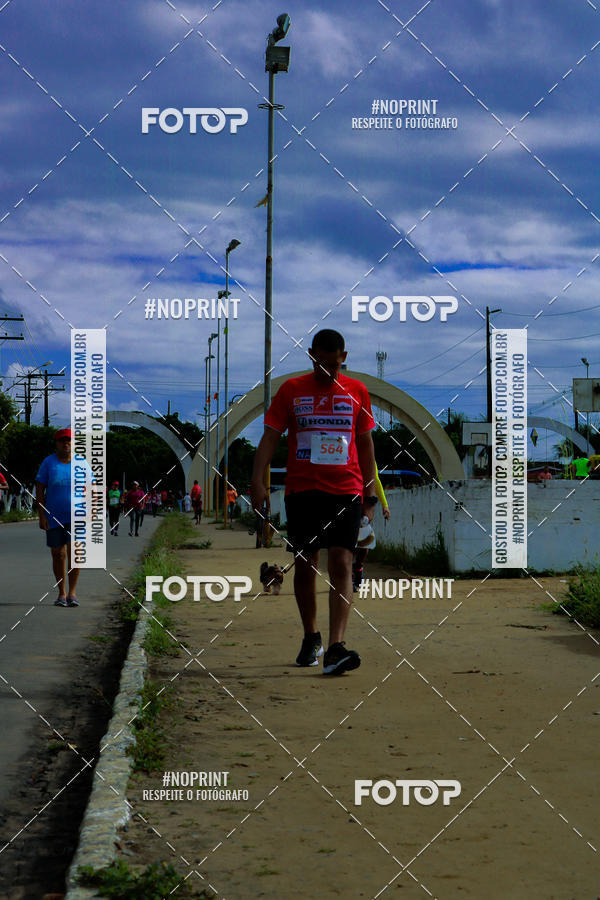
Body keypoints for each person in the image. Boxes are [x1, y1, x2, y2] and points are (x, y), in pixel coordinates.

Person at [251, 329, 376, 676]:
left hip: (346, 489)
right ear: (311, 355)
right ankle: (311, 636)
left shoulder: (356, 391)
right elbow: (270, 437)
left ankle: (336, 647)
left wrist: (370, 495)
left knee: (342, 562)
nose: (329, 372)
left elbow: (365, 446)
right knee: (306, 563)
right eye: (322, 363)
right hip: (303, 491)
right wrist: (257, 483)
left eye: (335, 365)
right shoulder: (292, 391)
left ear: (344, 357)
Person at [35, 427, 87, 607]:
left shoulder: (81, 462)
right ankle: (61, 593)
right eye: (62, 440)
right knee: (58, 554)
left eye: (69, 440)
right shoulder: (49, 463)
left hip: (78, 515)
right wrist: (41, 515)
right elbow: (40, 489)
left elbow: (92, 486)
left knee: (75, 553)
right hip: (53, 516)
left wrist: (93, 510)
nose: (66, 443)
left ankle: (72, 593)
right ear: (56, 443)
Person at [352, 467, 390, 591]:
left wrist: (385, 505)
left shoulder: (367, 451)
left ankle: (358, 567)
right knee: (348, 537)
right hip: (347, 494)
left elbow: (375, 479)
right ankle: (346, 574)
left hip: (366, 497)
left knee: (364, 532)